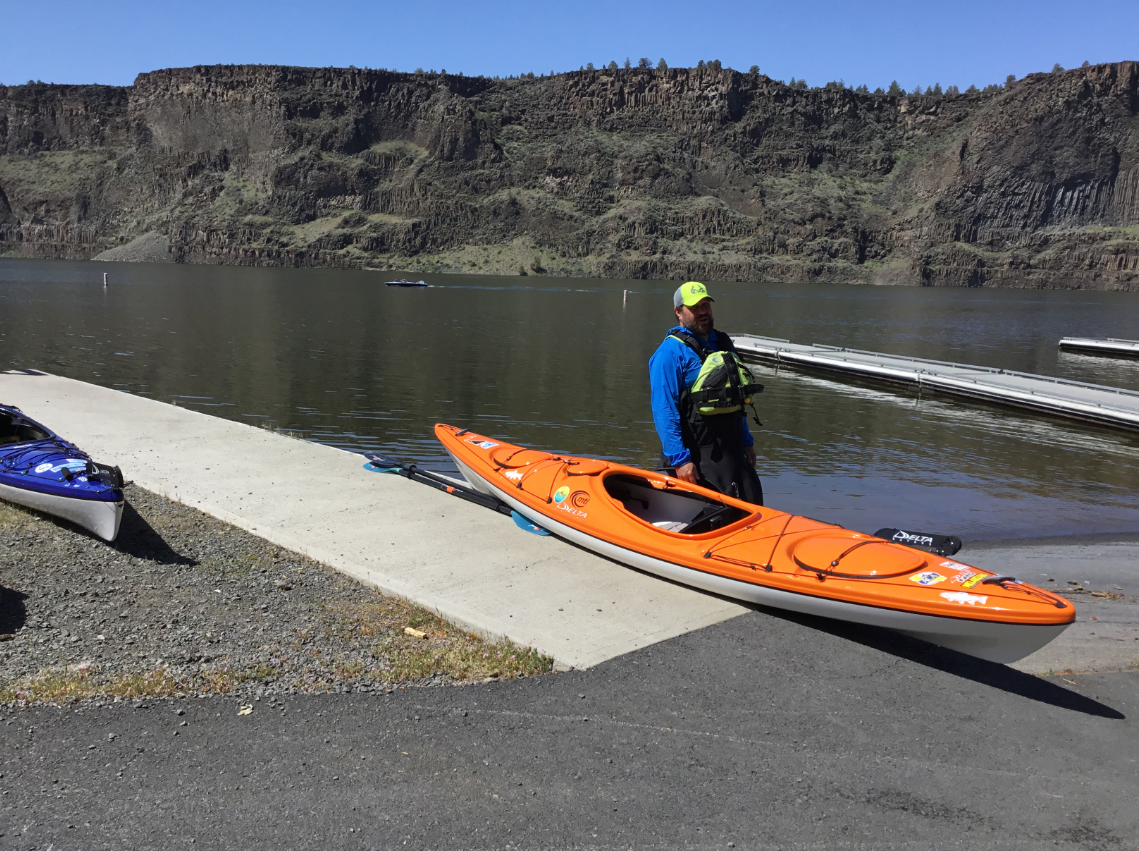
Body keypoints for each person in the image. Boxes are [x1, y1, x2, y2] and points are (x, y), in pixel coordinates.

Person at [648, 281, 764, 505]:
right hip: (696, 457)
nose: (703, 311)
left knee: (750, 508)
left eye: (706, 305)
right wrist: (680, 460)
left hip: (732, 452)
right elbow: (664, 410)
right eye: (695, 307)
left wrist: (747, 441)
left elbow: (736, 399)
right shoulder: (669, 353)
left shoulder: (722, 343)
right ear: (678, 312)